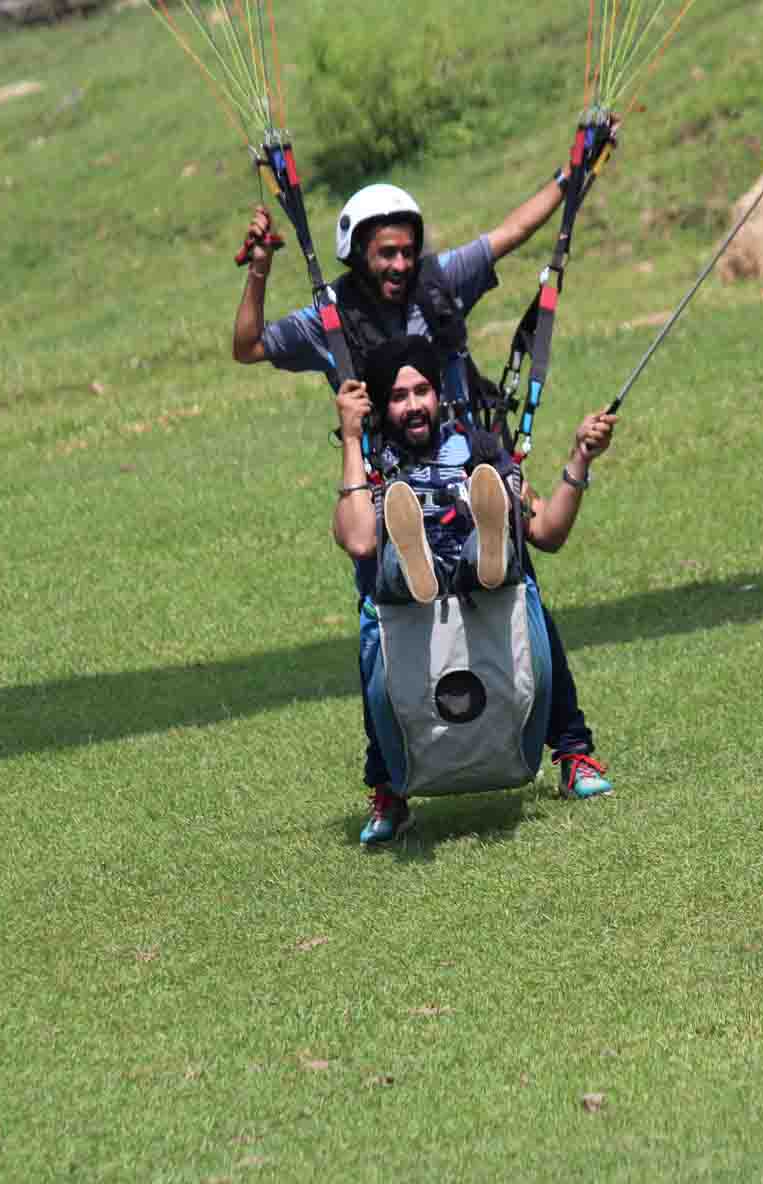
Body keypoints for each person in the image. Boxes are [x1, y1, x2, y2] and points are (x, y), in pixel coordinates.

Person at [232, 174, 616, 810]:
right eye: (387, 252)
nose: (401, 264)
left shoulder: (439, 283)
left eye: (408, 250)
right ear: (357, 251)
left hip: (465, 469)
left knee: (519, 588)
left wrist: (570, 177)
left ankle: (568, 743)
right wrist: (261, 270)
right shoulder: (329, 319)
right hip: (389, 483)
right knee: (377, 624)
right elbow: (247, 346)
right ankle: (389, 781)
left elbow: (510, 234)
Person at [334, 335, 617, 845]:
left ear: (440, 394)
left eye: (422, 390)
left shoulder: (480, 453)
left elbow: (548, 533)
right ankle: (419, 554)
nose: (414, 405)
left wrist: (580, 459)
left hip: (484, 593)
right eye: (398, 396)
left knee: (500, 558)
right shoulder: (373, 467)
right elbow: (357, 539)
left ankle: (487, 551)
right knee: (390, 575)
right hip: (406, 606)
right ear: (382, 405)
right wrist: (353, 441)